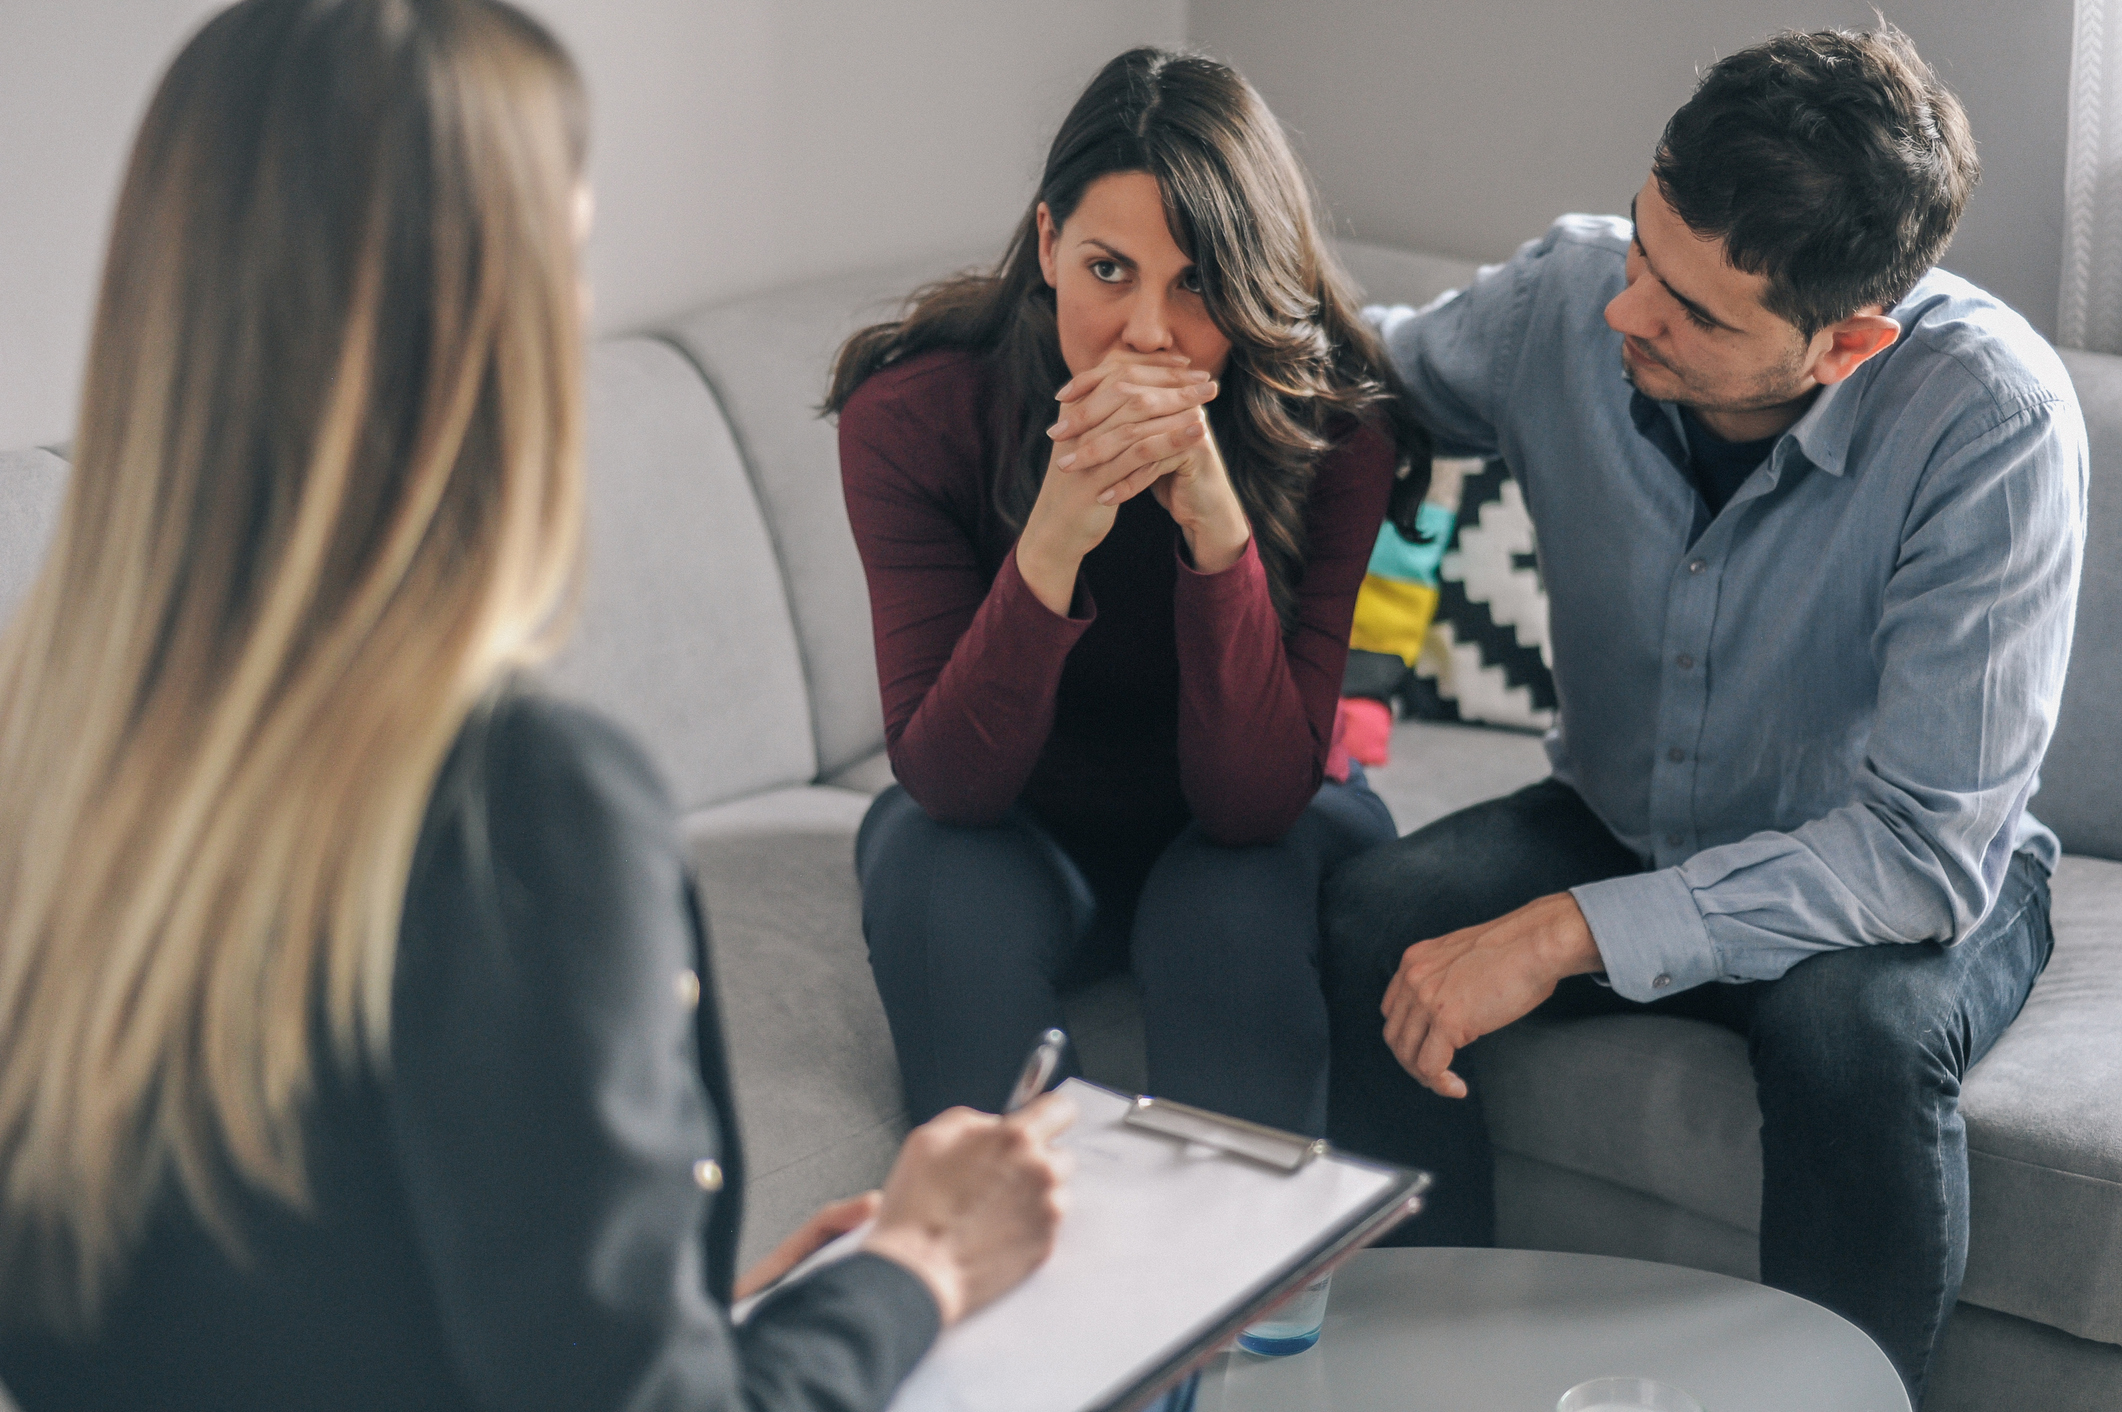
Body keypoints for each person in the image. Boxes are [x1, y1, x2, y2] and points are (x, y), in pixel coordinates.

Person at [0, 3, 1072, 1409]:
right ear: (482, 334)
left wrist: (707, 1333)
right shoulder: (515, 805)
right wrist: (919, 1265)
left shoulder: (50, 778)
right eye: (565, 261)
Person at [1321, 25, 2085, 1405]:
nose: (1628, 314)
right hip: (1624, 816)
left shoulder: (1992, 424)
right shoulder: (1566, 296)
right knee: (1378, 912)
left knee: (1849, 1039)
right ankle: (1415, 1376)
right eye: (1639, 252)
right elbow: (1362, 374)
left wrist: (1560, 936)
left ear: (1845, 343)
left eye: (1695, 312)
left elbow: (1918, 853)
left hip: (1881, 874)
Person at [827, 47, 1427, 1137]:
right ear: (1050, 244)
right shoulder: (913, 416)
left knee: (1225, 906)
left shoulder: (1336, 433)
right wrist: (1055, 535)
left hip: (1265, 817)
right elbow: (952, 781)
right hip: (1014, 817)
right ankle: (1029, 1285)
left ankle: (1253, 1295)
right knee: (928, 866)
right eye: (1110, 269)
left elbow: (1250, 801)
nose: (1148, 332)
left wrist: (1212, 524)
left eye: (1197, 282)